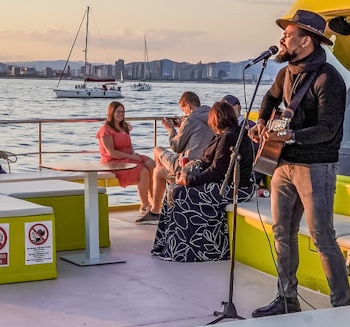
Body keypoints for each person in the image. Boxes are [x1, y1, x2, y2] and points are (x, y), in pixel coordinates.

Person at [250, 9, 350, 317]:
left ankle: (341, 307)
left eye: (288, 35)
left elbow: (329, 129)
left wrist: (289, 136)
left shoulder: (328, 79)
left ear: (306, 40)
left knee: (322, 236)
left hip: (316, 167)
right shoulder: (287, 72)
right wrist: (261, 121)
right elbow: (269, 99)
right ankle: (286, 299)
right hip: (283, 164)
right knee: (282, 231)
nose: (282, 39)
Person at [152, 101, 255, 261]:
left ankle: (184, 250)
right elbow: (207, 162)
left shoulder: (230, 137)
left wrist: (190, 182)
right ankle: (167, 246)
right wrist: (187, 175)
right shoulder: (222, 135)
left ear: (216, 119)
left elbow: (217, 170)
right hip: (223, 183)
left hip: (235, 188)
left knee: (181, 194)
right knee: (172, 189)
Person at [137, 91, 213, 224]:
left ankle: (159, 199)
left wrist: (171, 129)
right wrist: (182, 125)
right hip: (205, 164)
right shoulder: (212, 116)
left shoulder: (190, 120)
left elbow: (176, 146)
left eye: (184, 109)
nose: (184, 113)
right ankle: (165, 188)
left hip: (186, 164)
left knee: (157, 150)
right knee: (158, 171)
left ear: (188, 106)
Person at [96, 101, 155, 216]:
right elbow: (111, 152)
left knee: (151, 164)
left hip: (128, 156)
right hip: (113, 161)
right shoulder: (105, 130)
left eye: (123, 111)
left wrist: (135, 155)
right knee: (143, 171)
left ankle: (152, 200)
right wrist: (132, 157)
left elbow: (129, 144)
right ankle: (144, 206)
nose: (121, 114)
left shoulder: (124, 127)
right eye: (118, 111)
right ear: (111, 112)